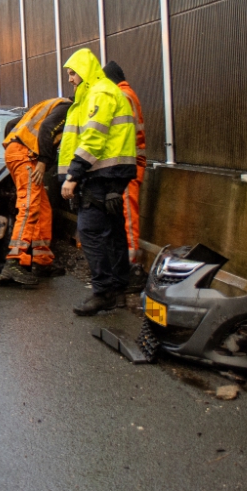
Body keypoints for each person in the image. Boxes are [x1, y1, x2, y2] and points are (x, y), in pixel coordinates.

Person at [58, 49, 137, 316]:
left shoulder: (99, 94)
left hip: (100, 175)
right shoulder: (96, 94)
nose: (69, 79)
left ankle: (102, 292)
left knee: (91, 232)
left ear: (85, 71)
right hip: (109, 175)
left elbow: (92, 138)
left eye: (72, 73)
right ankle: (117, 290)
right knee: (113, 233)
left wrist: (72, 176)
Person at [0, 97, 73, 286]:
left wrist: (13, 148)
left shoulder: (50, 104)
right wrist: (43, 160)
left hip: (18, 152)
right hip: (26, 156)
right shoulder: (67, 108)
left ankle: (42, 260)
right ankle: (14, 261)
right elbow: (48, 128)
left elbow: (12, 124)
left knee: (41, 206)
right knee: (29, 205)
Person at [102, 61, 147, 292]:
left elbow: (121, 133)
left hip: (127, 163)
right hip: (127, 162)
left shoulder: (122, 96)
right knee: (126, 212)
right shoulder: (126, 94)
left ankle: (132, 266)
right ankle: (127, 264)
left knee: (128, 213)